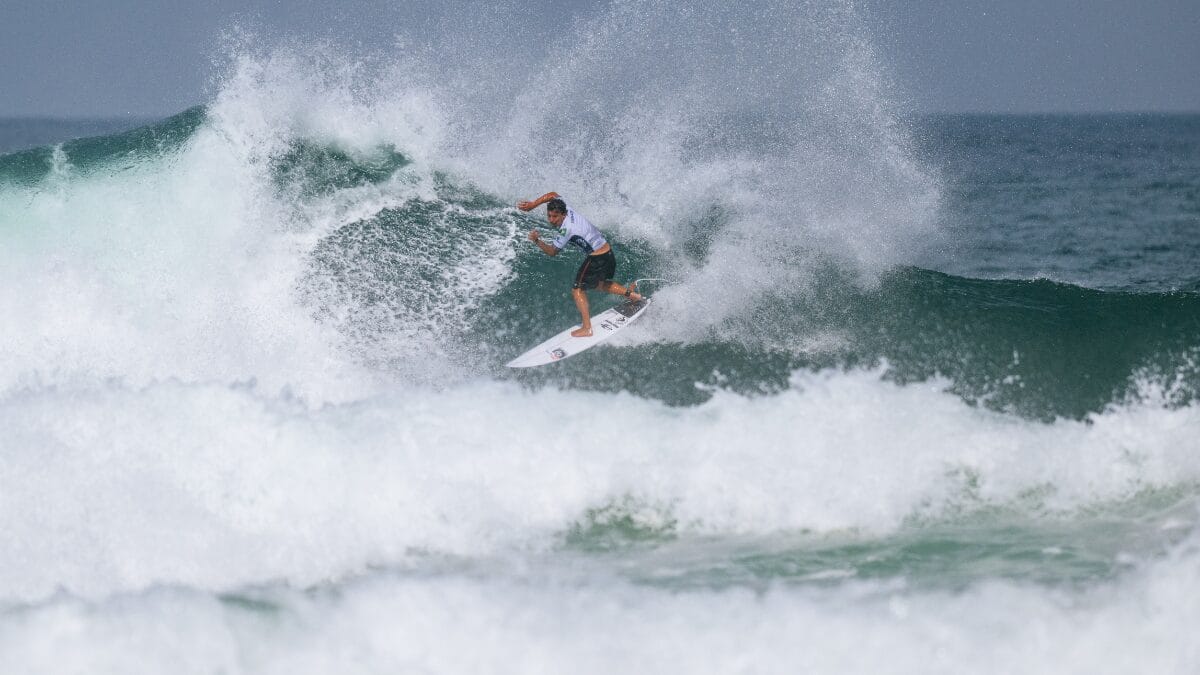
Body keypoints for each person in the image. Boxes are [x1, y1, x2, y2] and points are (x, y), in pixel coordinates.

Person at [517, 191, 644, 337]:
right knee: (598, 283)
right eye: (549, 216)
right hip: (608, 253)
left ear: (563, 215)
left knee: (577, 289)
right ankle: (633, 296)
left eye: (555, 217)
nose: (551, 220)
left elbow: (552, 252)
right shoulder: (568, 209)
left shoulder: (566, 229)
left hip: (597, 258)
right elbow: (553, 194)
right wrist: (533, 204)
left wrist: (536, 241)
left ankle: (587, 328)